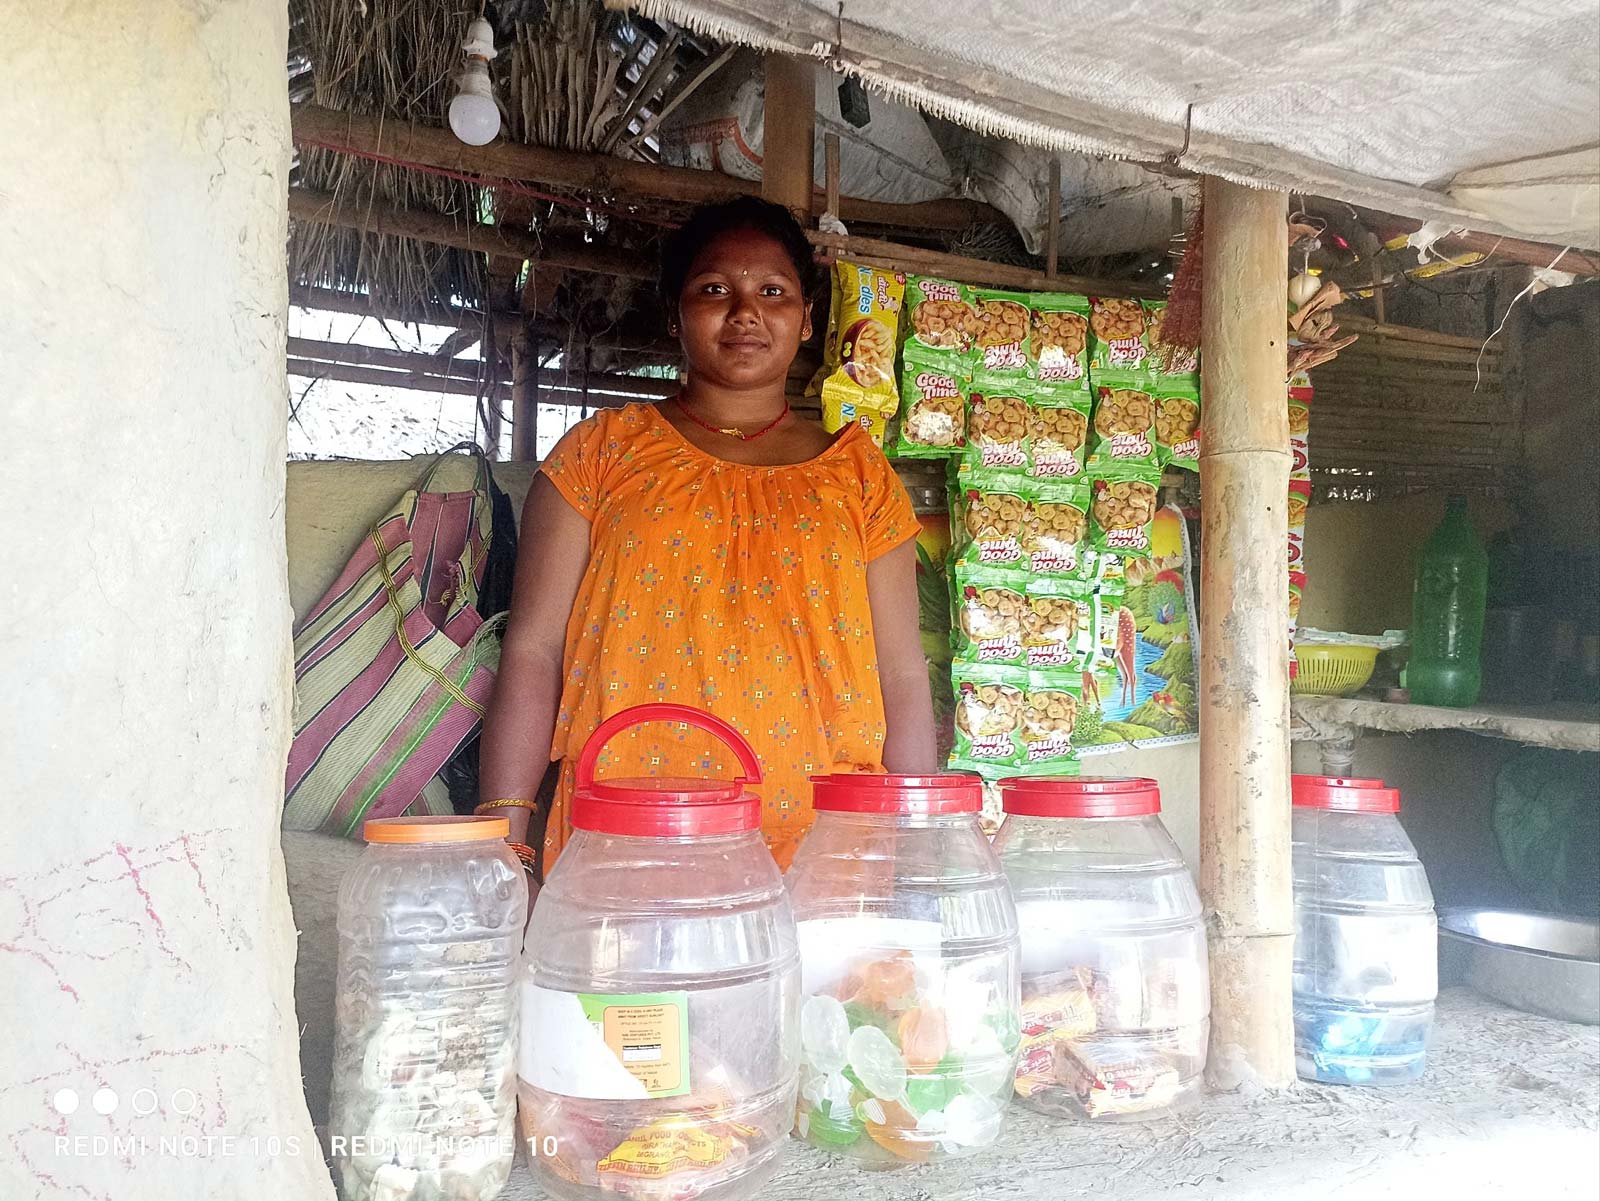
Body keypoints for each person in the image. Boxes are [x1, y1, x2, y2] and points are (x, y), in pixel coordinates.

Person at [478, 196, 936, 875]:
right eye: (714, 288)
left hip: (825, 854)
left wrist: (917, 850)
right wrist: (502, 849)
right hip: (624, 842)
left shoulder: (859, 475)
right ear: (675, 315)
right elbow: (533, 652)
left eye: (773, 291)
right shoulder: (600, 455)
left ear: (807, 319)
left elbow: (901, 675)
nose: (745, 310)